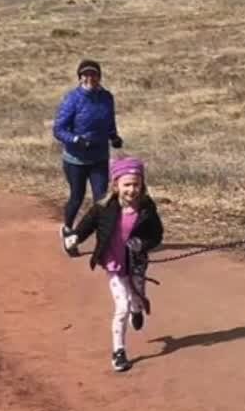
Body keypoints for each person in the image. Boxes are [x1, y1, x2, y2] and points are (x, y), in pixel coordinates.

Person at [64, 156, 164, 373]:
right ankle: (119, 351)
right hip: (114, 265)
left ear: (143, 185)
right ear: (116, 185)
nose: (132, 189)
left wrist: (142, 243)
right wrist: (76, 237)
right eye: (127, 184)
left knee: (136, 296)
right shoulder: (104, 207)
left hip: (136, 264)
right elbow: (87, 225)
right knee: (122, 307)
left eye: (136, 184)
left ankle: (138, 309)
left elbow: (157, 235)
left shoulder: (147, 208)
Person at [54, 59, 123, 245]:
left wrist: (114, 137)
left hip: (99, 157)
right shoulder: (72, 99)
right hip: (75, 159)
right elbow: (59, 129)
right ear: (80, 77)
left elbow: (109, 122)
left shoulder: (107, 97)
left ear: (99, 76)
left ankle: (102, 237)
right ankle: (68, 229)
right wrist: (76, 139)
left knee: (101, 199)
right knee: (77, 196)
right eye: (86, 74)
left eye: (94, 74)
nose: (90, 78)